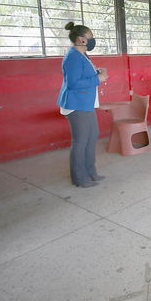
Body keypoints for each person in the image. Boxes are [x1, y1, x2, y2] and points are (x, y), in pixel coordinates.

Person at [57, 22, 108, 188]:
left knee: (92, 136)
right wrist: (97, 79)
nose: (92, 40)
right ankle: (80, 178)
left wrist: (97, 72)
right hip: (76, 104)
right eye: (90, 37)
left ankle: (91, 172)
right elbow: (72, 83)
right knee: (81, 141)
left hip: (86, 103)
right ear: (81, 39)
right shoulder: (72, 56)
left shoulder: (82, 55)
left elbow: (84, 74)